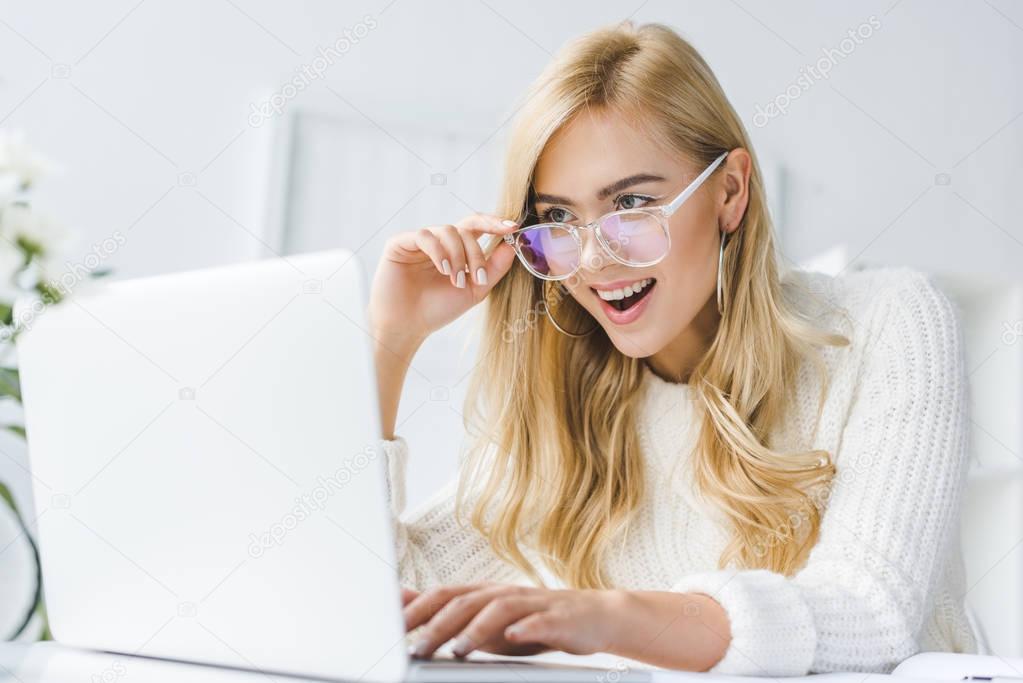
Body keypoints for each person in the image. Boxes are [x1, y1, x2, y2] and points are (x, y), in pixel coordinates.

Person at [366, 20, 977, 675]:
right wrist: (389, 340)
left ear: (729, 192)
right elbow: (383, 601)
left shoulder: (891, 322)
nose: (594, 260)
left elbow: (870, 618)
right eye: (557, 219)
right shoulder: (571, 393)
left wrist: (605, 616)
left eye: (629, 202)